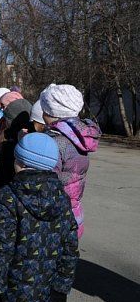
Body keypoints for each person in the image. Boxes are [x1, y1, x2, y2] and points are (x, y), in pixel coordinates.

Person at [0, 132, 79, 302]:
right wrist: (62, 287)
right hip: (48, 287)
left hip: (14, 289)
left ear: (20, 162)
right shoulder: (62, 196)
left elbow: (0, 247)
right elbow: (70, 247)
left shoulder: (9, 196)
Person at [40, 84, 101, 238]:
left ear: (52, 112)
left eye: (44, 110)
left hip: (53, 213)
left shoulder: (54, 141)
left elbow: (45, 182)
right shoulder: (79, 137)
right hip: (73, 209)